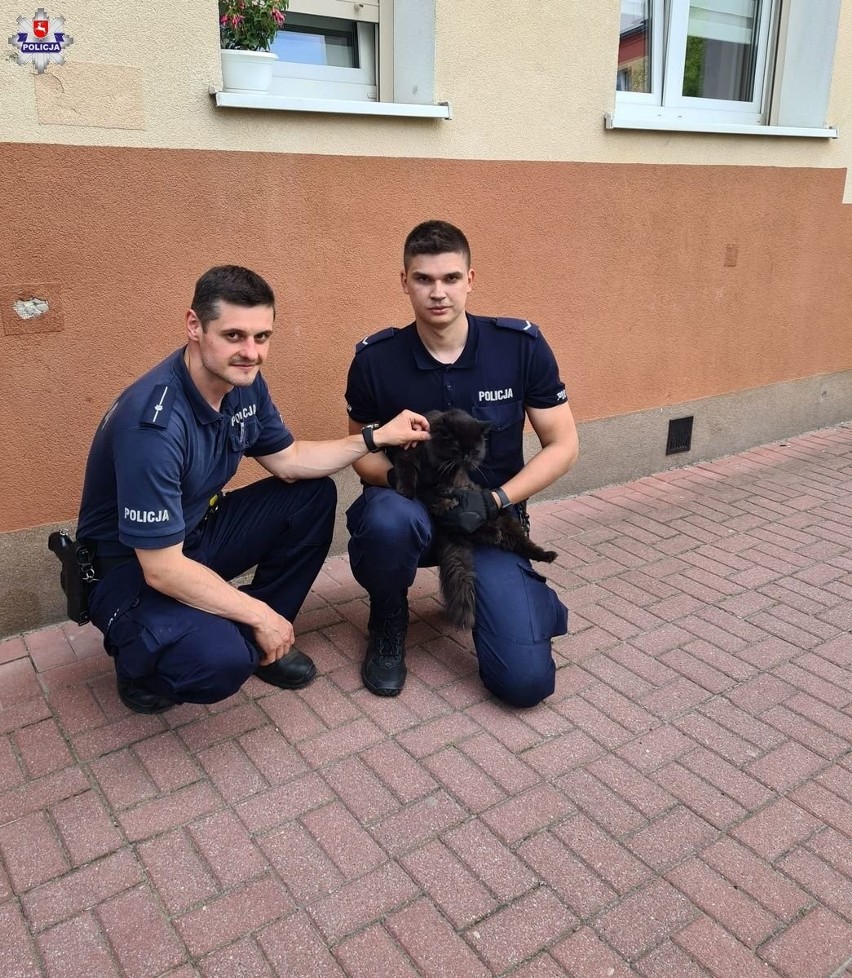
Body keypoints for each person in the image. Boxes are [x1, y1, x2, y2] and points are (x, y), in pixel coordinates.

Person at [76, 265, 429, 714]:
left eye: (262, 337)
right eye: (235, 336)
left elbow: (290, 461)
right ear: (194, 326)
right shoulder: (154, 426)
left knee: (311, 496)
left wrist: (374, 437)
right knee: (219, 660)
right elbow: (161, 569)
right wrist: (259, 614)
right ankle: (142, 663)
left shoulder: (243, 383)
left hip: (195, 534)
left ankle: (263, 644)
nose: (251, 352)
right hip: (131, 567)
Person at [345, 220, 579, 708]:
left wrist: (495, 499)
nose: (438, 293)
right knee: (385, 520)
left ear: (470, 279)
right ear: (404, 281)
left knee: (525, 685)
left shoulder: (519, 346)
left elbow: (563, 444)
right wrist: (402, 483)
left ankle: (525, 599)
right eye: (423, 279)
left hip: (486, 520)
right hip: (411, 513)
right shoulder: (375, 360)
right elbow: (360, 455)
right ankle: (388, 619)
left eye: (450, 278)